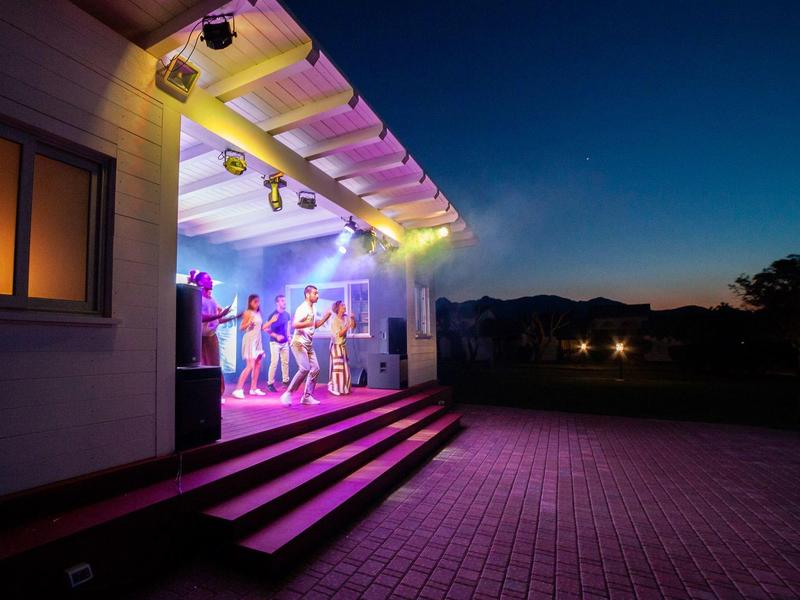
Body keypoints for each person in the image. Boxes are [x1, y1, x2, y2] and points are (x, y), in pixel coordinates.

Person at [280, 285, 331, 407]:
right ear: (308, 295)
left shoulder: (313, 307)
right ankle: (287, 393)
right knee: (304, 368)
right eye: (315, 293)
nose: (317, 295)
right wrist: (309, 322)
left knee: (316, 369)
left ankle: (307, 397)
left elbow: (314, 325)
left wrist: (325, 318)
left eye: (317, 293)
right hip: (298, 342)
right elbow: (294, 324)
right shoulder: (302, 308)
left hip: (308, 343)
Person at [190, 270, 233, 399]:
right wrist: (220, 314)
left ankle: (217, 393)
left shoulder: (212, 299)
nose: (211, 281)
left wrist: (231, 317)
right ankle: (203, 393)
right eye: (208, 279)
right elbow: (200, 317)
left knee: (215, 365)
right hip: (199, 338)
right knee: (201, 365)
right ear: (200, 282)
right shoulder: (197, 297)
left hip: (211, 337)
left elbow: (216, 319)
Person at [232, 295, 277, 399]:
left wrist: (271, 322)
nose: (257, 304)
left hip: (257, 340)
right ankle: (238, 389)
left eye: (258, 302)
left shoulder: (258, 313)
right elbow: (241, 328)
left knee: (258, 364)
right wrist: (248, 323)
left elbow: (260, 328)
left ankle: (253, 388)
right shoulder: (248, 312)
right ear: (250, 302)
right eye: (255, 302)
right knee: (250, 366)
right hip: (250, 340)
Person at [328, 300, 357, 396]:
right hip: (336, 346)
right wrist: (346, 327)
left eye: (344, 305)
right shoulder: (334, 320)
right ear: (338, 308)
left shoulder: (345, 317)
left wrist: (352, 319)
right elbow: (338, 334)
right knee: (338, 368)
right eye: (342, 305)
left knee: (345, 368)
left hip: (342, 346)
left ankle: (344, 388)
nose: (345, 306)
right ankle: (333, 387)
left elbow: (353, 326)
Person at [265, 294, 291, 393]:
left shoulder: (287, 315)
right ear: (277, 303)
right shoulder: (273, 315)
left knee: (285, 362)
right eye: (282, 301)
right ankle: (270, 383)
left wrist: (288, 336)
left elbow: (288, 327)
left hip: (284, 343)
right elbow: (266, 329)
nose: (284, 302)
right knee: (274, 362)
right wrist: (276, 336)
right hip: (275, 343)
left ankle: (286, 382)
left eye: (285, 300)